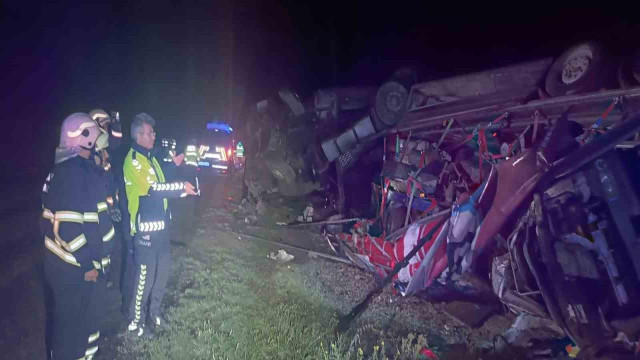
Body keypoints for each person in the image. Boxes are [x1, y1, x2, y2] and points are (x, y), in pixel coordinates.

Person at [41, 113, 109, 360]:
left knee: (74, 332)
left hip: (68, 268)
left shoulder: (69, 170)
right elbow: (68, 228)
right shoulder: (72, 173)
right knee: (70, 338)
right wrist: (87, 263)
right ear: (85, 139)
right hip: (71, 269)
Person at [123, 113, 196, 338]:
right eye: (150, 132)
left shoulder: (150, 158)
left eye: (153, 132)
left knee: (161, 275)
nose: (154, 135)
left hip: (161, 229)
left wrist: (174, 167)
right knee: (144, 278)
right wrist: (182, 187)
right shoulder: (135, 160)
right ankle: (135, 323)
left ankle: (154, 314)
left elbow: (163, 179)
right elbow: (155, 189)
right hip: (145, 231)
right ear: (138, 135)